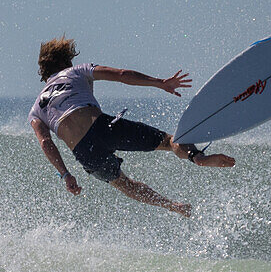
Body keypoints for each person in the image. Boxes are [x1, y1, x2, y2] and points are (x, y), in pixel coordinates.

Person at [29, 36, 234, 217]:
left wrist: (65, 174)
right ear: (66, 61)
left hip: (83, 152)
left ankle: (173, 205)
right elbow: (122, 74)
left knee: (124, 184)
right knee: (168, 141)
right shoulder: (75, 71)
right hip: (101, 127)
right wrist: (160, 82)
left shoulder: (36, 109)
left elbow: (46, 143)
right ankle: (197, 157)